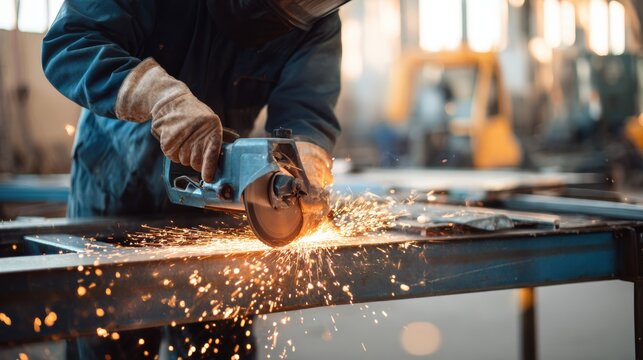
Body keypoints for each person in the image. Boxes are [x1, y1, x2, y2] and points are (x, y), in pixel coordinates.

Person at [42, 0, 348, 358]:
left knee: (217, 346)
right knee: (107, 338)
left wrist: (304, 171)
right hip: (116, 187)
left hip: (225, 201)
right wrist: (157, 97)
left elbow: (306, 111)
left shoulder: (317, 20)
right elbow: (71, 41)